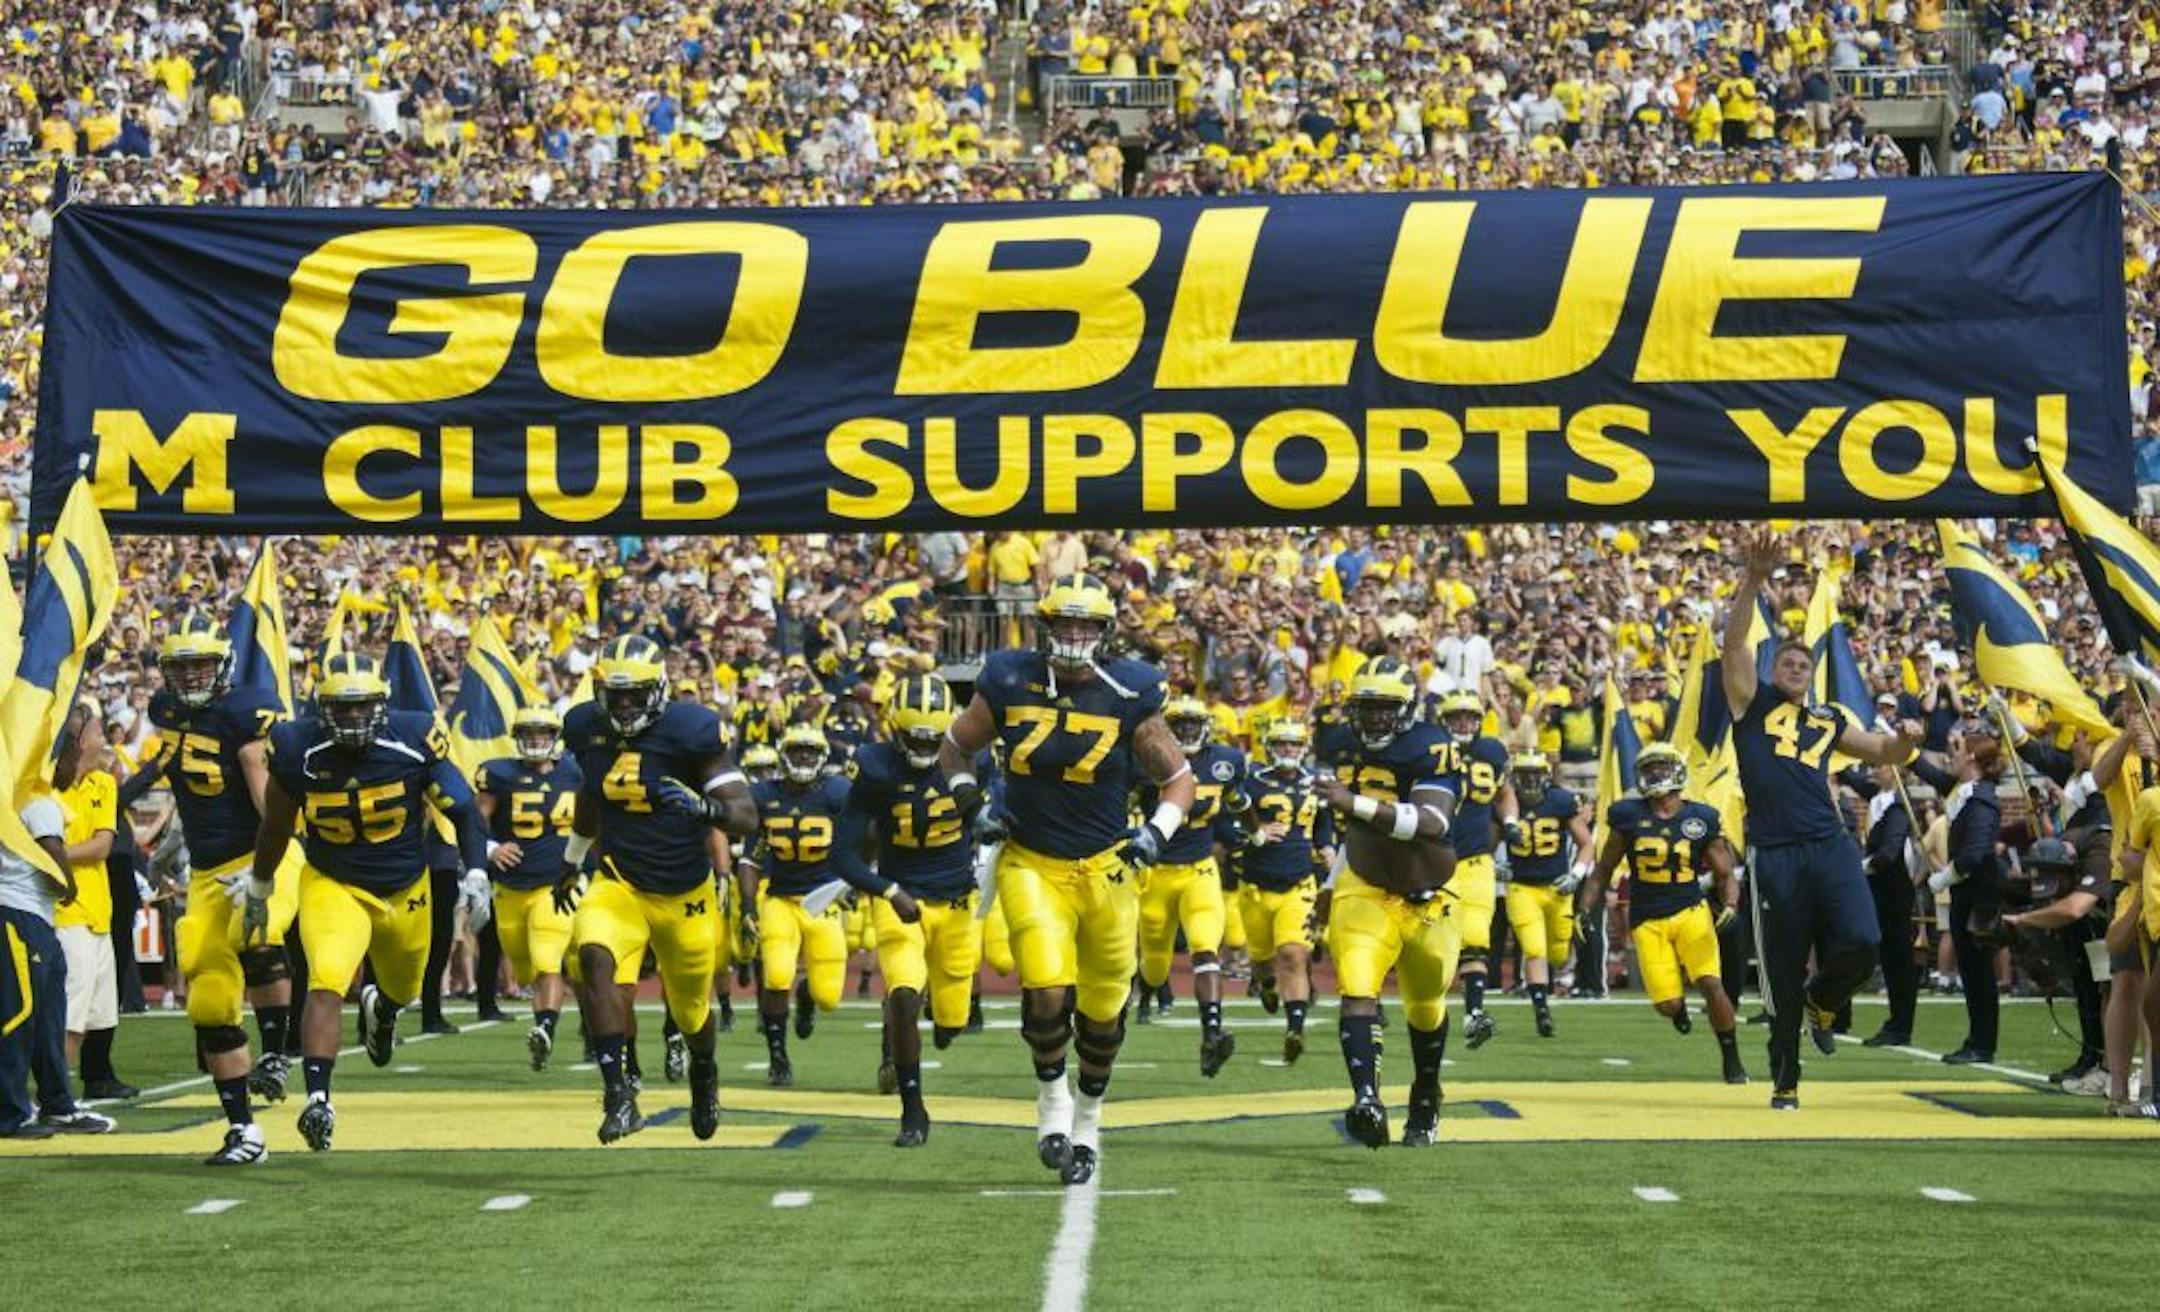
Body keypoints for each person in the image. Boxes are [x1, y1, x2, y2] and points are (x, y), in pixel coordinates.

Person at [939, 572, 1193, 1186]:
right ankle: (1052, 1103)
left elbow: (1178, 780)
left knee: (1105, 1010)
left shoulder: (1131, 688)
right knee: (1047, 985)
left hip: (1109, 867)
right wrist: (971, 805)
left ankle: (1089, 1117)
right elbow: (953, 749)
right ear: (1045, 626)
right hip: (1032, 860)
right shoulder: (1006, 676)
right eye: (1065, 622)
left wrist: (1154, 834)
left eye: (1086, 624)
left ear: (1104, 632)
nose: (1075, 635)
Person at [250, 653, 491, 1153]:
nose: (355, 718)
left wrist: (475, 870)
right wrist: (259, 882)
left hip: (406, 886)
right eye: (344, 707)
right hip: (333, 882)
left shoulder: (414, 736)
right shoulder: (297, 747)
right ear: (323, 707)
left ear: (382, 704)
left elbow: (463, 808)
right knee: (327, 978)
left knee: (405, 988)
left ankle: (382, 1010)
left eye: (364, 707)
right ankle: (318, 1099)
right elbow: (275, 823)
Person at [1723, 527, 1923, 1109]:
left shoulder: (1829, 719)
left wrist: (1911, 740)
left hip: (1827, 842)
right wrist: (1754, 579)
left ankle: (1824, 998)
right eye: (1786, 659)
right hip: (1774, 851)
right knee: (1781, 970)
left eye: (1803, 662)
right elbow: (1733, 648)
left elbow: (1885, 753)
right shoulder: (1751, 704)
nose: (1796, 665)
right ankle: (1786, 1075)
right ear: (1772, 669)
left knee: (1863, 939)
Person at [562, 634, 757, 1144]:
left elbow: (745, 814)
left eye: (636, 693)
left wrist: (705, 809)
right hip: (619, 880)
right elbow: (590, 791)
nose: (624, 704)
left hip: (683, 894)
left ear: (660, 689)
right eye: (616, 694)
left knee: (692, 1012)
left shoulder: (692, 730)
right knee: (594, 957)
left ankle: (705, 1071)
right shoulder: (584, 726)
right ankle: (619, 1094)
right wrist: (572, 859)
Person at [141, 615, 304, 1128]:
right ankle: (241, 1128)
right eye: (181, 667)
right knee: (209, 999)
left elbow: (267, 797)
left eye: (201, 665)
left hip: (262, 854)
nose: (191, 676)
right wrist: (170, 841)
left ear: (223, 665)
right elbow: (186, 782)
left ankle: (277, 1051)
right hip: (209, 870)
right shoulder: (165, 710)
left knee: (253, 931)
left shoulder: (243, 712)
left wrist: (267, 865)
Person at [833, 673, 987, 1146]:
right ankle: (912, 1109)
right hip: (902, 898)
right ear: (893, 727)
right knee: (902, 992)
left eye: (931, 736)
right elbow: (841, 853)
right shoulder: (876, 767)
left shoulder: (975, 758)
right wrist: (885, 889)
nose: (922, 746)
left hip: (959, 901)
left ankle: (935, 1027)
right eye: (913, 736)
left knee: (952, 1021)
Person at [1312, 658, 1460, 1148]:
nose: (1375, 718)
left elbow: (1432, 822)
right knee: (1356, 987)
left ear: (1408, 709)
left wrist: (1351, 802)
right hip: (1365, 880)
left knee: (1424, 1006)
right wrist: (1331, 885)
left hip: (1427, 890)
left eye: (1385, 708)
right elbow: (1354, 825)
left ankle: (1425, 1093)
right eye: (1367, 707)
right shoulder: (1340, 743)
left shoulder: (1430, 746)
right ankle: (1367, 1099)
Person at [1579, 744, 1749, 1085]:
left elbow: (1725, 873)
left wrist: (1729, 905)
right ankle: (1680, 1010)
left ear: (1678, 771)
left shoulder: (1700, 817)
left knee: (1711, 983)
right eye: (1650, 769)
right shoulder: (1628, 816)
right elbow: (1603, 869)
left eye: (1663, 767)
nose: (1657, 775)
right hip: (1647, 918)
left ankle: (1731, 1058)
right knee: (1667, 1004)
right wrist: (1584, 910)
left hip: (1691, 911)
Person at [0, 706, 117, 1139]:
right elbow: (52, 852)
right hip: (19, 914)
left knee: (50, 1018)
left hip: (36, 917)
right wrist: (68, 886)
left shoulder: (27, 796)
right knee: (20, 1018)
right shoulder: (36, 800)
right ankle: (11, 1112)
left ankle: (57, 1103)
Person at [1133, 695, 1248, 1076]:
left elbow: (1238, 800)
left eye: (1191, 723)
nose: (1184, 730)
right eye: (1177, 724)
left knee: (1205, 949)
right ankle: (1148, 992)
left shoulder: (1226, 762)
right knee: (1154, 963)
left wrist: (1257, 834)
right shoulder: (1150, 758)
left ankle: (1211, 1033)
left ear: (1205, 725)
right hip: (1157, 874)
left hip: (1200, 871)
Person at [473, 706, 582, 1071]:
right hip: (510, 888)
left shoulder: (576, 772)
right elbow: (474, 821)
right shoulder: (499, 774)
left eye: (542, 733)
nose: (536, 740)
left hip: (556, 884)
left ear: (555, 737)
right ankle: (548, 1021)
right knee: (523, 969)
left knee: (548, 959)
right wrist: (490, 849)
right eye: (529, 733)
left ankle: (545, 1026)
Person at [743, 724, 852, 1088]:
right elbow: (751, 859)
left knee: (829, 997)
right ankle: (778, 1057)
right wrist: (746, 905)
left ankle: (805, 1000)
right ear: (783, 753)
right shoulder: (763, 795)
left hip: (823, 900)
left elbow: (865, 835)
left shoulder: (837, 793)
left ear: (821, 757)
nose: (803, 756)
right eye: (796, 750)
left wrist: (856, 877)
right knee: (775, 976)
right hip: (780, 899)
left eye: (810, 750)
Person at [1907, 719, 2006, 1064]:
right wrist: (1902, 744)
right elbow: (1928, 772)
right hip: (1966, 892)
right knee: (1971, 968)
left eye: (1959, 750)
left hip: (1978, 894)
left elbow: (1975, 853)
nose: (1953, 755)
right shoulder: (1961, 790)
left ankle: (1983, 1044)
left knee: (1978, 971)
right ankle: (1976, 1039)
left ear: (1973, 759)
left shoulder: (1982, 800)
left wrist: (1943, 878)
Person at [1236, 718, 1331, 1064]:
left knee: (1293, 954)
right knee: (1262, 963)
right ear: (1271, 746)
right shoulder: (1253, 781)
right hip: (1257, 887)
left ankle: (1295, 1028)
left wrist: (1327, 847)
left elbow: (1323, 826)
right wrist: (1255, 829)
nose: (1289, 750)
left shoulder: (1315, 784)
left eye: (1294, 744)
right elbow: (1229, 821)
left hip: (1298, 884)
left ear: (1304, 746)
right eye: (1282, 744)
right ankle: (1266, 985)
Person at [1436, 690, 1513, 1048]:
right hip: (1435, 859)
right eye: (1456, 718)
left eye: (1469, 717)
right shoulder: (1429, 752)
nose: (1463, 723)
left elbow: (1503, 792)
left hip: (1477, 861)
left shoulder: (1492, 752)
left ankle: (1474, 1014)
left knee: (1476, 937)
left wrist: (1510, 820)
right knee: (1433, 942)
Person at [56, 714, 124, 1097]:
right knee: (72, 1014)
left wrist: (59, 852)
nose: (105, 739)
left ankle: (85, 1083)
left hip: (99, 910)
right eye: (99, 732)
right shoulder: (47, 788)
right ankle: (58, 1093)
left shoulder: (103, 783)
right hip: (66, 911)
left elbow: (103, 845)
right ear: (81, 741)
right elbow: (96, 846)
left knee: (98, 1011)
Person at [1502, 750, 1591, 1037]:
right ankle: (1542, 1010)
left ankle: (1552, 984)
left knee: (1557, 951)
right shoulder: (1504, 801)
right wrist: (1493, 862)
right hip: (1521, 887)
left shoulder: (1561, 802)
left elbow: (1587, 844)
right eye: (1523, 774)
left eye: (1533, 774)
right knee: (1534, 948)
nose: (1528, 781)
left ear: (1545, 777)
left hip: (1556, 888)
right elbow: (1484, 836)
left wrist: (1576, 874)